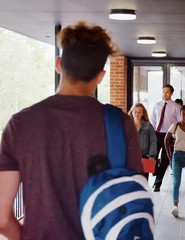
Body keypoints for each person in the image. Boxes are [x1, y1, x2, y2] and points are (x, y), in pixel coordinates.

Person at [0, 22, 141, 239]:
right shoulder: (119, 123)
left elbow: (2, 217)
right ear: (100, 76)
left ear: (58, 64)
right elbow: (131, 197)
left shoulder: (20, 124)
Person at [150, 84, 181, 192]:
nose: (164, 93)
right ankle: (154, 171)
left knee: (164, 160)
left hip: (169, 136)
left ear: (171, 93)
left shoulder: (176, 107)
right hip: (156, 134)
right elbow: (153, 120)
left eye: (167, 92)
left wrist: (176, 136)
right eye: (163, 91)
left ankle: (157, 184)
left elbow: (179, 122)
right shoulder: (157, 105)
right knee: (151, 157)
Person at [129, 103, 157, 179]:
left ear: (143, 113)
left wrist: (152, 155)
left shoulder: (148, 125)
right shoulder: (127, 125)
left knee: (144, 180)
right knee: (133, 180)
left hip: (146, 157)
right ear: (131, 112)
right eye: (135, 112)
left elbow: (153, 141)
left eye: (139, 112)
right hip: (131, 157)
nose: (137, 114)